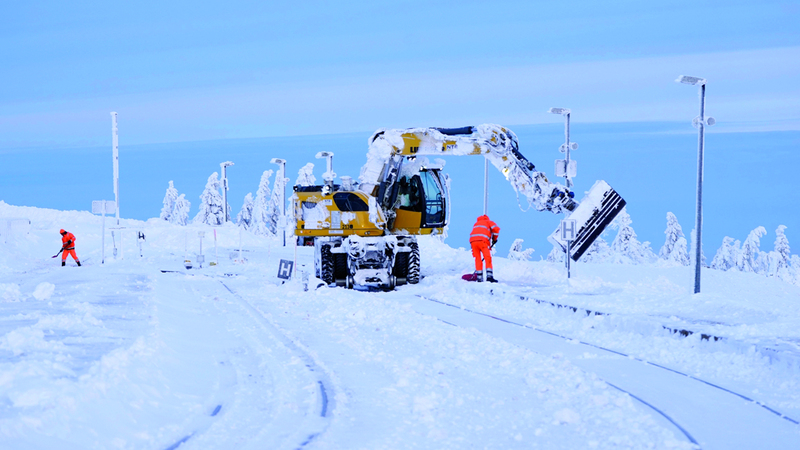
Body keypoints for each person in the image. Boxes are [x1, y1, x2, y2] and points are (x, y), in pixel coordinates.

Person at [469, 214, 499, 282]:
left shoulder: (476, 223)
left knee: (478, 258)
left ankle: (479, 278)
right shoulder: (488, 222)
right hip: (482, 241)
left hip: (473, 242)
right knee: (487, 258)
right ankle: (489, 277)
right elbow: (496, 228)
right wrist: (494, 239)